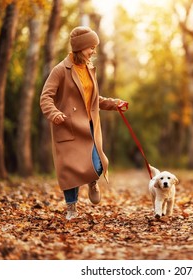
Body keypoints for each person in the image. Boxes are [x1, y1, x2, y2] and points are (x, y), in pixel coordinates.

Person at [40, 26, 128, 220]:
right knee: (69, 170)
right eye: (91, 47)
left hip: (89, 125)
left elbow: (94, 99)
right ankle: (71, 209)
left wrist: (115, 104)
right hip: (68, 126)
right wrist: (54, 113)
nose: (94, 51)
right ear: (80, 48)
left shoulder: (89, 68)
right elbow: (45, 97)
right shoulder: (60, 70)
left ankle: (92, 181)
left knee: (98, 165)